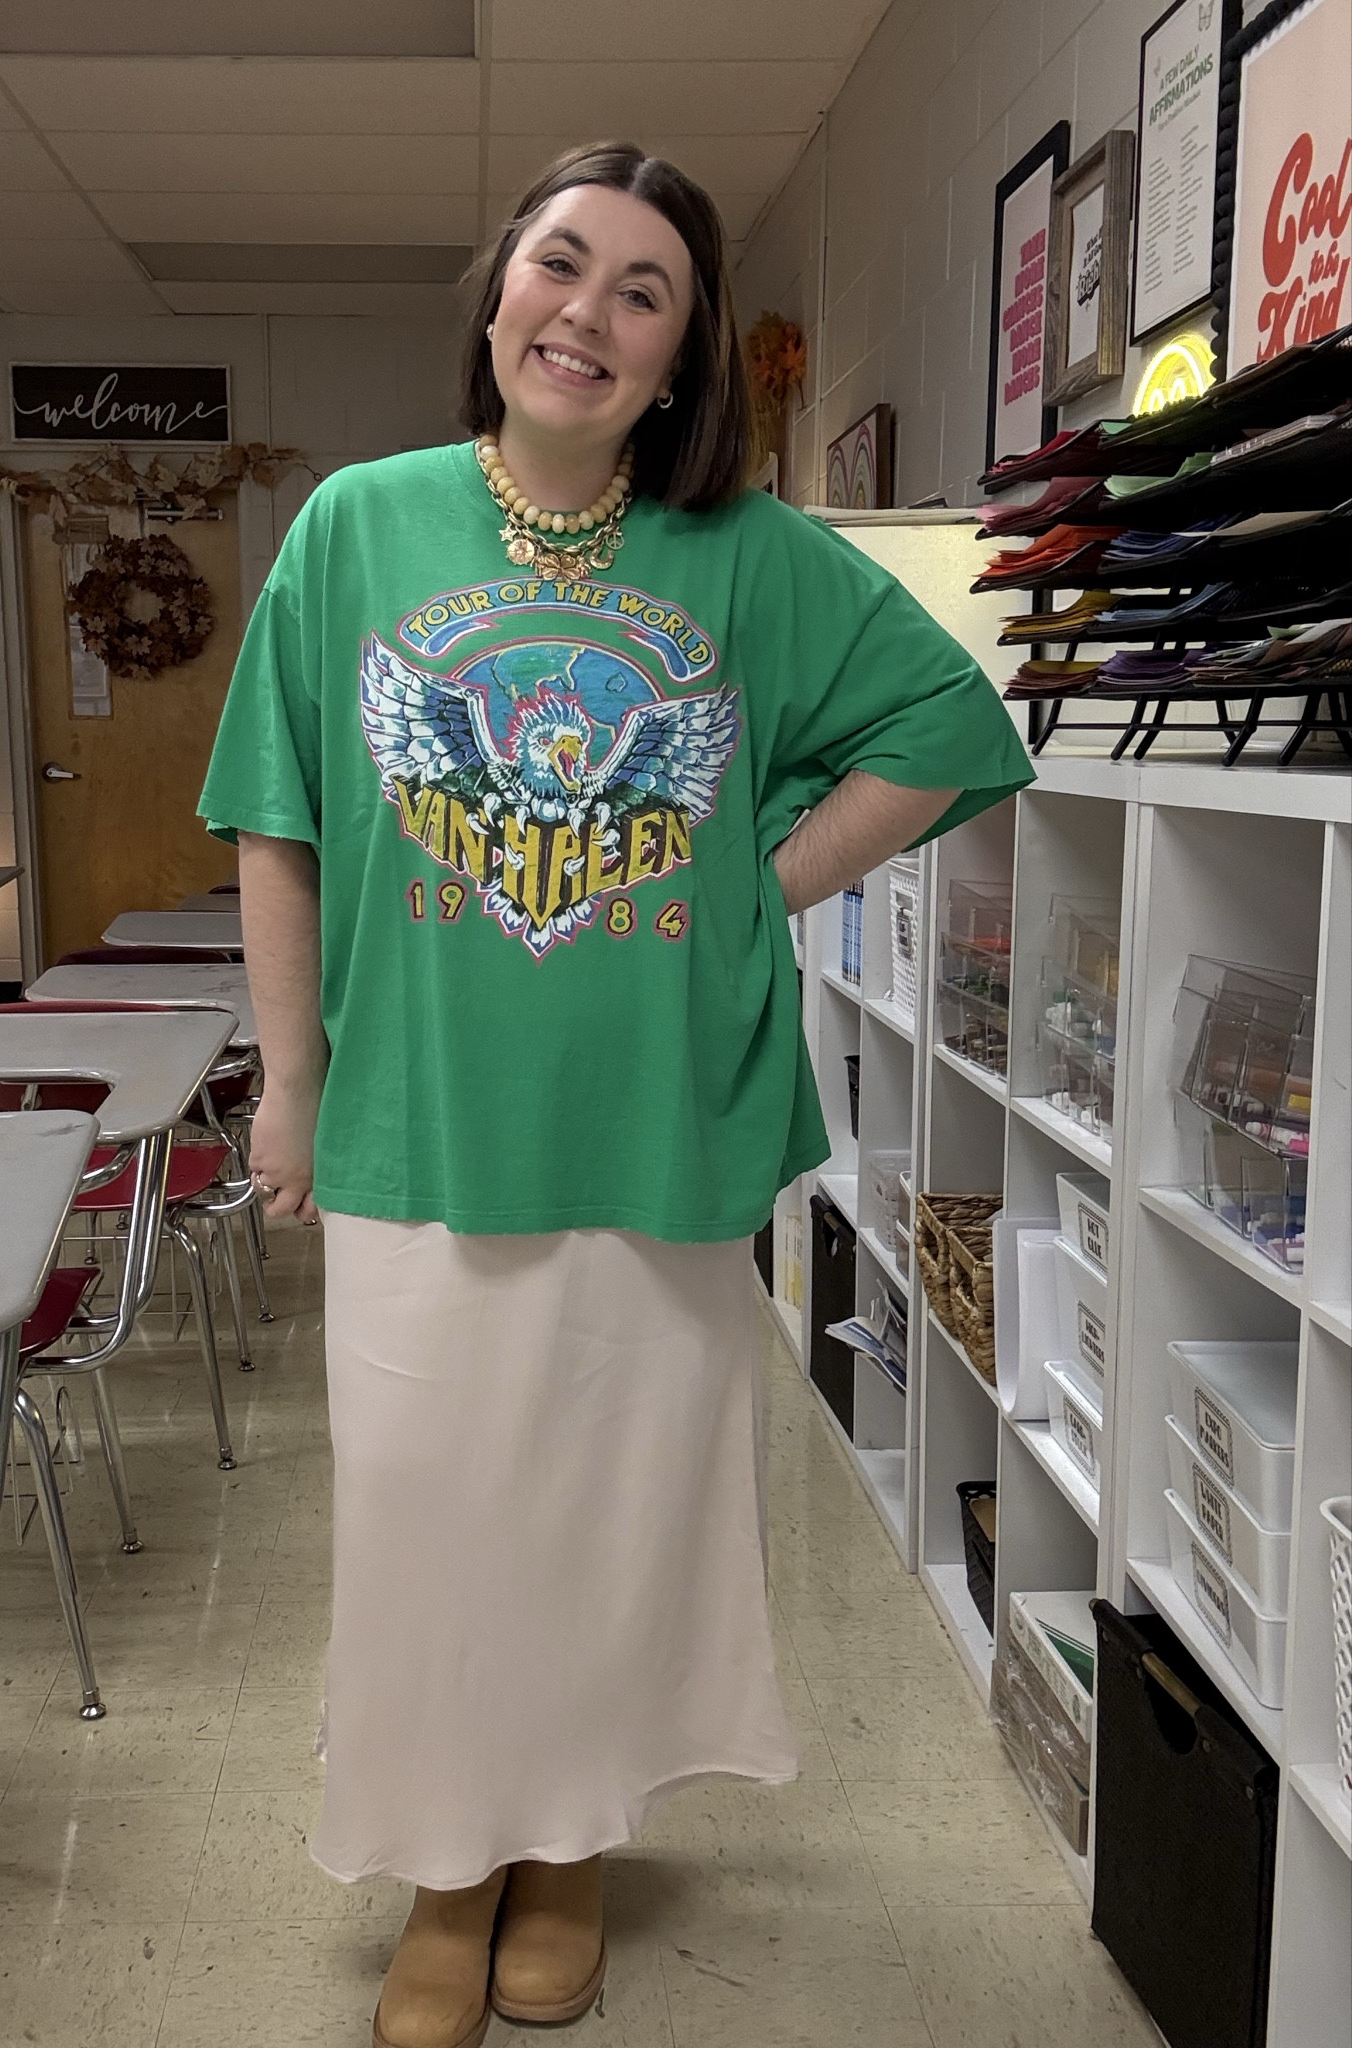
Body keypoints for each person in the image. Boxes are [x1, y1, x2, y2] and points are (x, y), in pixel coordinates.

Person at [200, 141, 1032, 2048]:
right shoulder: (358, 524)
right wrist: (289, 1087)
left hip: (660, 1114)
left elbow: (951, 730)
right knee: (430, 1522)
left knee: (615, 1509)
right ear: (495, 295)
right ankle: (445, 1867)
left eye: (640, 291)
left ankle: (566, 1847)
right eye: (558, 268)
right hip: (419, 1122)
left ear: (681, 363)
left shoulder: (739, 554)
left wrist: (768, 872)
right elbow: (275, 819)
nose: (585, 313)